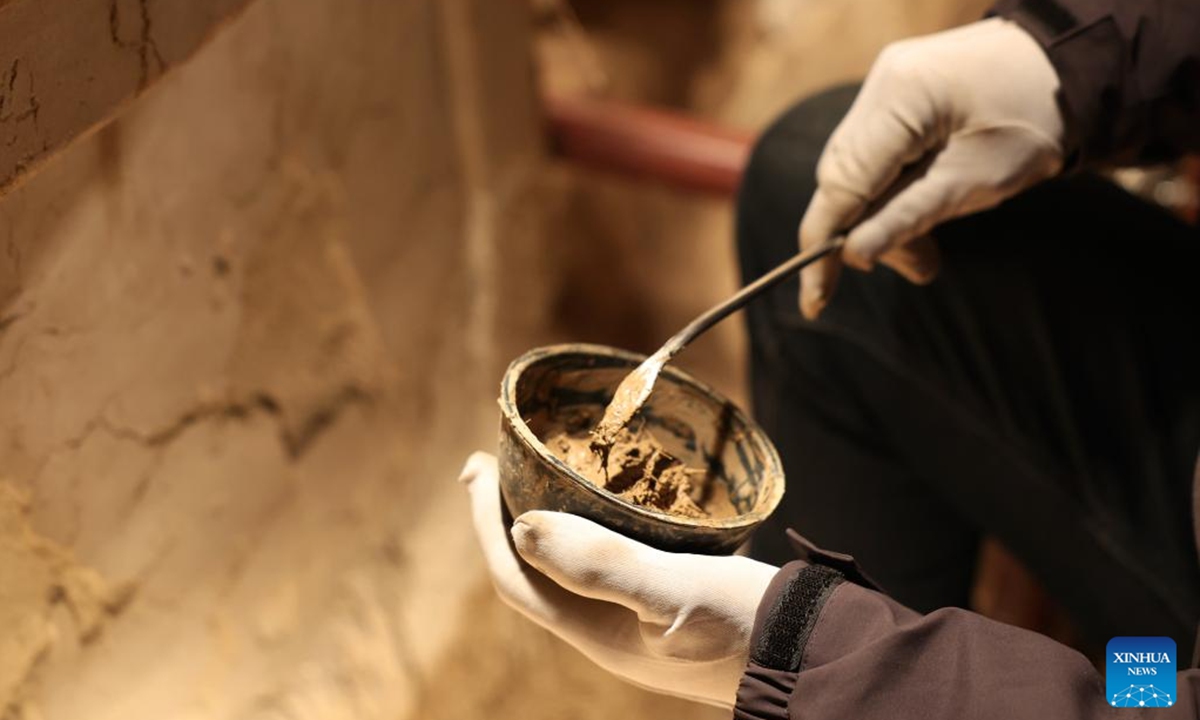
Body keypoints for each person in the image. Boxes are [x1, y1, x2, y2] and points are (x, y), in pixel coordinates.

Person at [463, 1, 1200, 716]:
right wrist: (1072, 59)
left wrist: (821, 664)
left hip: (1174, 678)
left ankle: (1109, 670)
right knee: (799, 180)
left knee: (1140, 678)